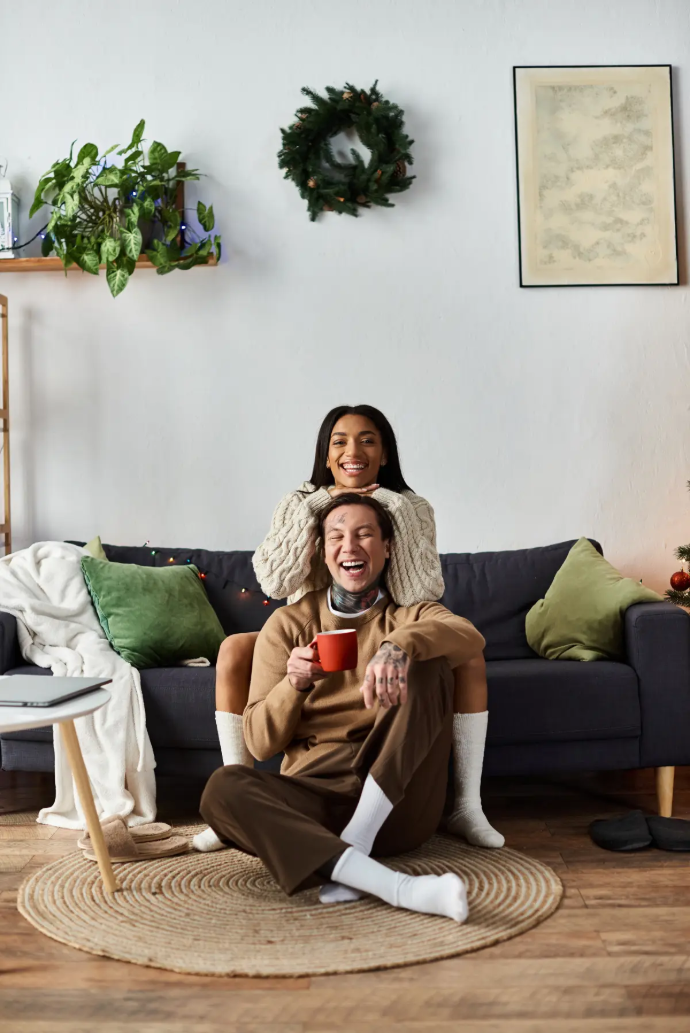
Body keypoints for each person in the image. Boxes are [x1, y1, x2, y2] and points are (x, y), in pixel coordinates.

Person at [200, 404, 503, 852]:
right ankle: (339, 854)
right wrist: (324, 504)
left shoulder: (409, 508)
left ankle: (464, 805)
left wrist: (389, 511)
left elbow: (420, 592)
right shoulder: (301, 507)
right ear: (325, 455)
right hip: (310, 627)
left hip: (386, 626)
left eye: (368, 441)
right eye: (339, 442)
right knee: (234, 656)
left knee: (447, 654)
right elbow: (275, 582)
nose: (353, 451)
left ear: (385, 453)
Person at [198, 495, 487, 921]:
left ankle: (360, 836)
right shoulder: (287, 625)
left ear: (387, 547)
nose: (349, 546)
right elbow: (259, 744)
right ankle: (392, 884)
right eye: (336, 537)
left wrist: (400, 646)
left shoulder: (410, 615)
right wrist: (293, 685)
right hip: (314, 805)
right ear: (321, 550)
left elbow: (469, 636)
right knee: (221, 789)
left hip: (397, 807)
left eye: (364, 534)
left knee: (429, 665)